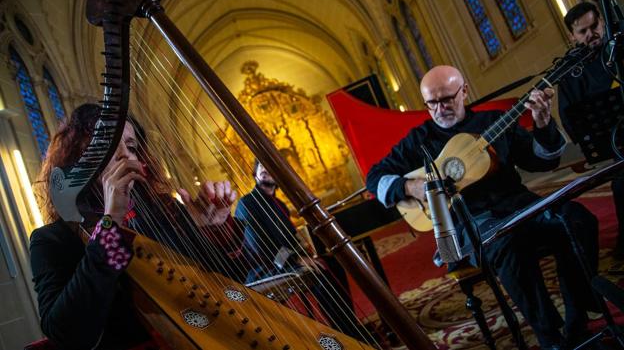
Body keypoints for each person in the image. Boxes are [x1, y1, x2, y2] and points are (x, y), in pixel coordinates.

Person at [366, 65, 599, 349]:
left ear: (464, 91)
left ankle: (578, 321)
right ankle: (549, 337)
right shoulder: (418, 140)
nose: (440, 109)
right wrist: (411, 187)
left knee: (578, 219)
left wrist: (542, 123)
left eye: (447, 99)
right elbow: (375, 177)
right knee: (508, 246)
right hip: (470, 225)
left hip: (520, 207)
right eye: (432, 103)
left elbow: (543, 161)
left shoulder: (494, 122)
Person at [30, 103, 241, 349]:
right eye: (107, 146)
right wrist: (112, 223)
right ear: (78, 161)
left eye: (131, 147)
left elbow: (233, 284)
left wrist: (213, 227)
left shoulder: (166, 212)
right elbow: (66, 334)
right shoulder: (52, 239)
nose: (124, 155)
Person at [234, 159, 368, 341]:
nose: (264, 168)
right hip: (263, 268)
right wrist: (296, 260)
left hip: (284, 262)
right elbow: (260, 246)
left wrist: (305, 254)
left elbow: (291, 241)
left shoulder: (280, 205)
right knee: (320, 273)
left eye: (269, 166)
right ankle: (348, 333)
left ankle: (350, 326)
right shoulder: (247, 203)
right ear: (255, 173)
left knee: (332, 263)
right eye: (260, 166)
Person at [557, 1, 624, 258]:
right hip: (613, 141)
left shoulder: (619, 47)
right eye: (582, 32)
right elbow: (570, 117)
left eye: (594, 26)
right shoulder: (570, 72)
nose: (590, 34)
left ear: (603, 21)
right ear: (572, 37)